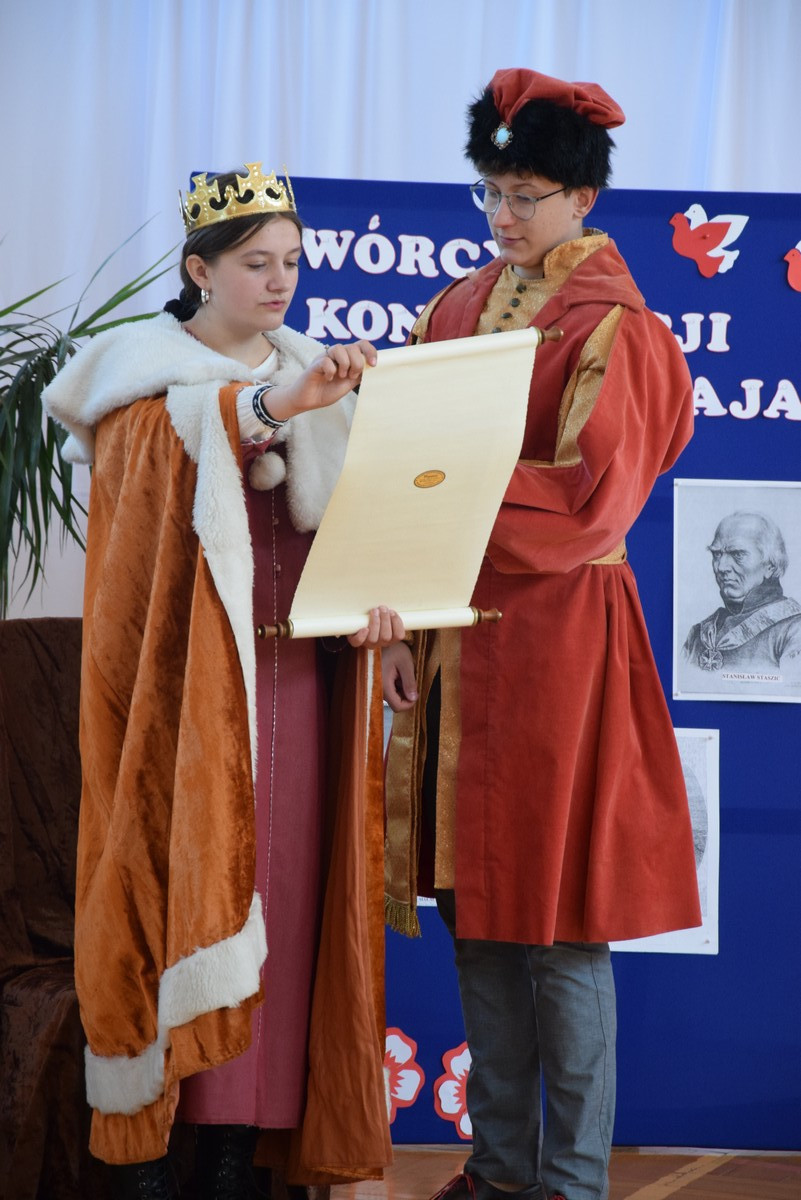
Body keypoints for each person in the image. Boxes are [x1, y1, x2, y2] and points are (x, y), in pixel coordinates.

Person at [42, 163, 399, 1200]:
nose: (280, 281)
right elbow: (155, 467)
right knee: (182, 893)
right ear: (200, 271)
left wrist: (390, 622)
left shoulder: (313, 374)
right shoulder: (139, 378)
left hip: (299, 687)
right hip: (188, 702)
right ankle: (162, 1145)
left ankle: (242, 1150)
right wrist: (274, 405)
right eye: (255, 263)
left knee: (288, 904)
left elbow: (362, 525)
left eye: (292, 262)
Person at [382, 70, 702, 1200]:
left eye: (524, 195)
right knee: (476, 914)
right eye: (491, 192)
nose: (503, 215)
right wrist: (401, 622)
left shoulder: (620, 329)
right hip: (453, 647)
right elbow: (396, 482)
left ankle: (569, 1183)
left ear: (581, 199)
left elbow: (587, 507)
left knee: (561, 927)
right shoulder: (452, 309)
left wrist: (436, 474)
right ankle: (499, 1169)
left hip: (561, 646)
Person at [683, 510, 801, 678]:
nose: (721, 567)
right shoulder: (699, 634)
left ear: (770, 566)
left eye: (738, 554)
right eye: (717, 554)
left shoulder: (794, 629)